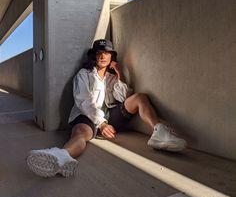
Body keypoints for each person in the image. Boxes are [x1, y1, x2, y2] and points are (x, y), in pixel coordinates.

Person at [27, 39, 187, 178]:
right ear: (94, 56)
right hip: (87, 116)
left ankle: (159, 133)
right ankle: (62, 156)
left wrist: (120, 74)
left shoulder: (111, 77)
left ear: (112, 57)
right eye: (99, 53)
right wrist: (101, 124)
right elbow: (83, 101)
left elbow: (124, 97)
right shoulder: (84, 74)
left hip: (110, 116)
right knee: (80, 134)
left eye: (106, 53)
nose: (103, 56)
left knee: (140, 97)